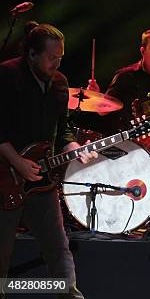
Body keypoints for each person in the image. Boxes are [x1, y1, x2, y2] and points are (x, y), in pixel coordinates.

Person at [0, 22, 97, 299]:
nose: (57, 62)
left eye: (61, 57)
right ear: (32, 53)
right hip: (5, 175)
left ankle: (69, 295)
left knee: (58, 248)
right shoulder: (6, 75)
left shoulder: (60, 83)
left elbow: (63, 128)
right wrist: (17, 162)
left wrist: (75, 147)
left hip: (42, 179)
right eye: (51, 57)